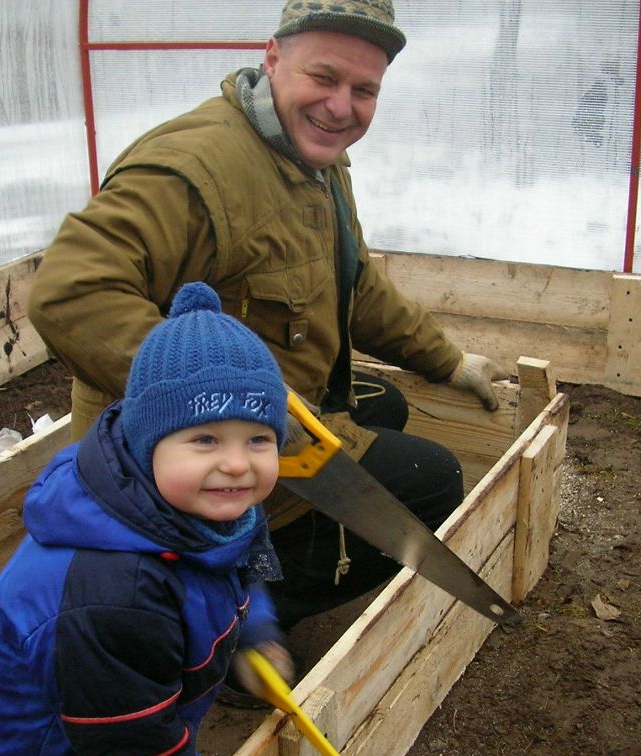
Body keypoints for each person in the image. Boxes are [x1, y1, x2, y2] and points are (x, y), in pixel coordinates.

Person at [27, 0, 507, 683]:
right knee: (432, 483)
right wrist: (222, 400)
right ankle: (213, 629)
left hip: (275, 408)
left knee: (387, 405)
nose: (342, 107)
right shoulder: (192, 170)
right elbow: (69, 292)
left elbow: (355, 285)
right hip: (173, 460)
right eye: (325, 77)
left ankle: (259, 575)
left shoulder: (316, 160)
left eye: (364, 90)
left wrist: (448, 360)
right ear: (273, 60)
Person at [0, 282, 293, 756]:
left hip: (118, 703)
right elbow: (127, 743)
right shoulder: (118, 590)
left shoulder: (212, 504)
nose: (237, 463)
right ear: (148, 447)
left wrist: (253, 631)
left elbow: (239, 563)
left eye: (258, 439)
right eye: (205, 439)